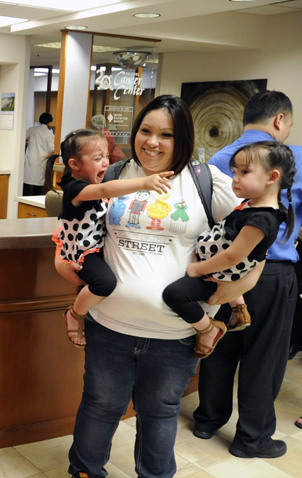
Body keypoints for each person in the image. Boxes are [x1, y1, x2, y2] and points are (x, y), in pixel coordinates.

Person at [55, 95, 254, 478]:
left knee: (159, 413)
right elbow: (73, 236)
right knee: (99, 405)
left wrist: (224, 296)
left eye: (166, 134)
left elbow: (255, 241)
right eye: (146, 131)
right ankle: (84, 471)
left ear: (183, 139)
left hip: (174, 335)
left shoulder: (205, 180)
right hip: (109, 327)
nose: (152, 142)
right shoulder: (112, 175)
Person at [193, 90, 302, 459]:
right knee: (264, 355)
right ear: (279, 121)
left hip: (220, 271)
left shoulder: (216, 159)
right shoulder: (292, 159)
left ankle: (207, 419)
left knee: (220, 344)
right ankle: (252, 438)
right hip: (272, 272)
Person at [163, 142, 295, 359]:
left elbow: (234, 255)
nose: (235, 178)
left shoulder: (262, 219)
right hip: (214, 264)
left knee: (175, 295)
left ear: (272, 177)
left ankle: (208, 329)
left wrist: (199, 268)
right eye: (235, 172)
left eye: (244, 172)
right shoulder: (253, 204)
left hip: (214, 273)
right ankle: (238, 308)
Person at [53, 129, 173, 347]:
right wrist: (144, 182)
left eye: (106, 156)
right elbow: (107, 189)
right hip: (81, 253)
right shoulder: (75, 187)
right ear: (74, 164)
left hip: (97, 246)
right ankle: (75, 314)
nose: (106, 163)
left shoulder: (93, 183)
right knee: (104, 283)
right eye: (98, 158)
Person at [24, 112, 55, 196]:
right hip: (41, 160)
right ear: (49, 122)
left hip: (30, 159)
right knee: (38, 185)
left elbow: (22, 137)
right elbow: (52, 149)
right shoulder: (49, 133)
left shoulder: (32, 130)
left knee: (26, 183)